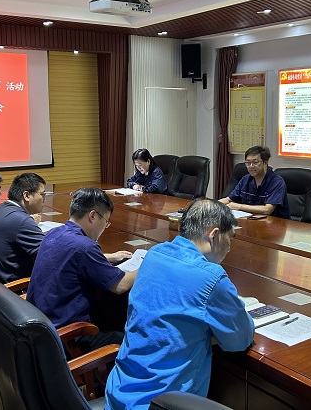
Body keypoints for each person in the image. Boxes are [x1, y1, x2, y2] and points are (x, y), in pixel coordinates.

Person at [105, 199, 255, 410]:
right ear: (214, 235)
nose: (230, 248)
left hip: (118, 394)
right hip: (159, 404)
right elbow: (240, 340)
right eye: (230, 238)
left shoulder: (154, 254)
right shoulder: (211, 277)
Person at [26, 187, 135, 352]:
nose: (105, 227)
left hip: (41, 325)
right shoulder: (85, 247)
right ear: (92, 216)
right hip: (68, 336)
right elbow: (120, 285)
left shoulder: (54, 233)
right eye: (106, 221)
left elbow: (72, 256)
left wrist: (108, 257)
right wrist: (150, 263)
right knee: (126, 340)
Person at [0, 173, 47, 284]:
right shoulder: (22, 220)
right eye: (42, 194)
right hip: (6, 290)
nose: (44, 199)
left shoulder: (1, 208)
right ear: (26, 195)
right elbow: (49, 255)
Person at [219, 146, 290, 219]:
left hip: (275, 223)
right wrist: (213, 205)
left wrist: (239, 206)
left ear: (265, 163)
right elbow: (228, 199)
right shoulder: (245, 179)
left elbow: (267, 210)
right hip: (251, 220)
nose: (251, 166)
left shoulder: (276, 182)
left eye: (255, 162)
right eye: (248, 163)